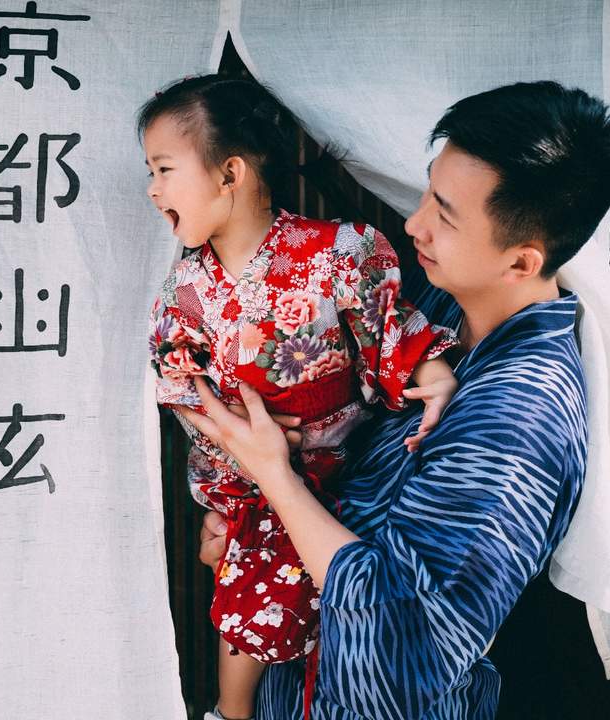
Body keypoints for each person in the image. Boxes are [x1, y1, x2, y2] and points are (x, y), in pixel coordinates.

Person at [184, 81, 610, 719]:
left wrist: (274, 477)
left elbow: (402, 654)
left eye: (446, 216)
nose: (414, 222)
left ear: (522, 261)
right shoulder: (445, 306)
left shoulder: (520, 417)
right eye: (427, 190)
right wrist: (253, 525)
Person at [142, 75, 459, 720]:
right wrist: (237, 444)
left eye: (164, 170)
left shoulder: (340, 252)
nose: (153, 190)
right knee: (246, 602)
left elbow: (385, 329)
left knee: (353, 622)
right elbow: (177, 383)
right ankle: (229, 714)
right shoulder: (185, 288)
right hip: (250, 486)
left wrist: (431, 368)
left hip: (349, 475)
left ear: (229, 172)